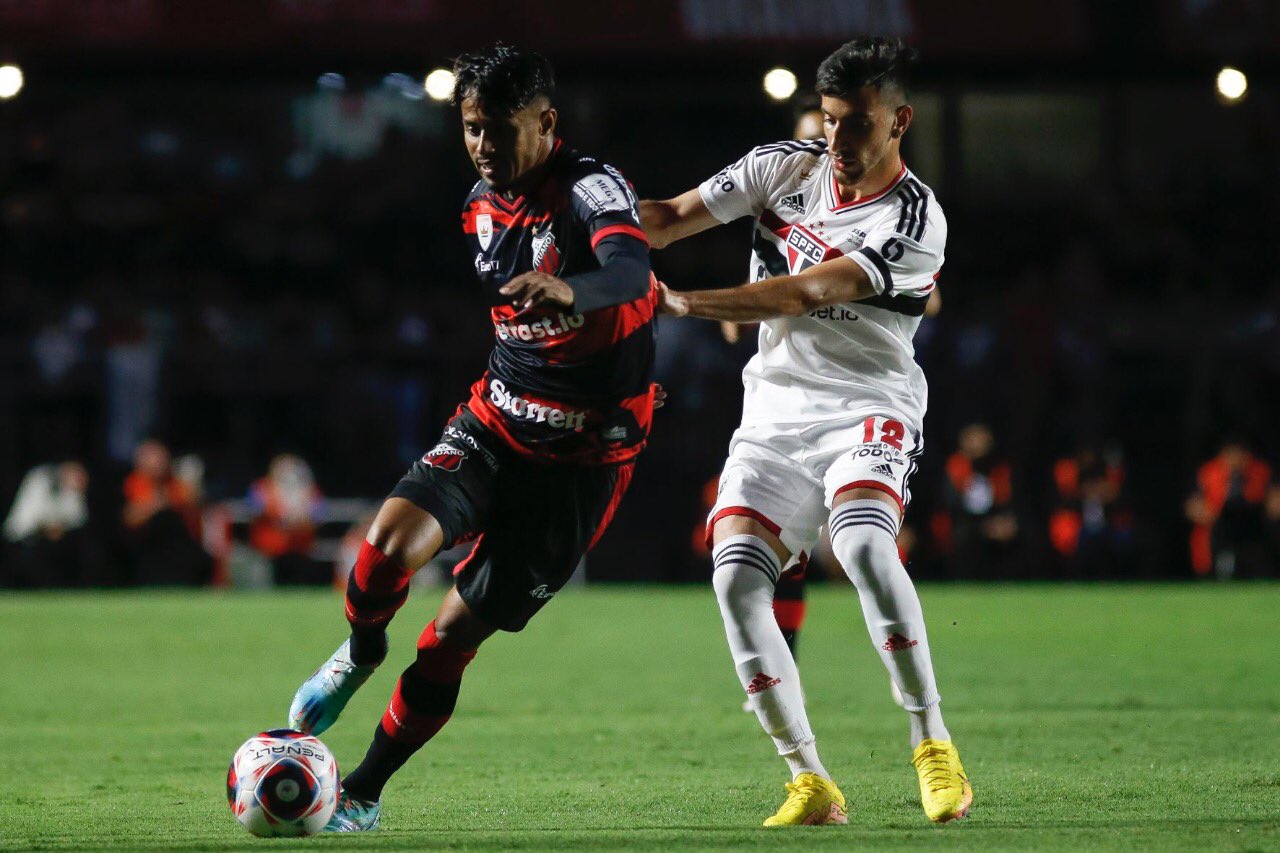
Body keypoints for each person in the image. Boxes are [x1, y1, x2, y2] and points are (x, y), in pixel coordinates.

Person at [288, 43, 658, 832]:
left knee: (448, 639)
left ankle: (363, 791)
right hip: (496, 421)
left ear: (546, 122)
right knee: (384, 546)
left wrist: (573, 288)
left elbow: (631, 273)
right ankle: (359, 651)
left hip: (582, 462)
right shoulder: (478, 206)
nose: (483, 145)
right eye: (470, 127)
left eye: (498, 128)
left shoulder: (592, 188)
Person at [640, 37, 970, 826]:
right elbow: (667, 219)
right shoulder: (784, 167)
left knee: (863, 546)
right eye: (830, 119)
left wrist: (684, 304)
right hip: (775, 412)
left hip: (869, 403)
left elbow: (806, 292)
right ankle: (809, 779)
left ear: (900, 121)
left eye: (858, 122)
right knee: (734, 579)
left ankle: (932, 740)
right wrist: (586, 222)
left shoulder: (915, 216)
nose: (838, 139)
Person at [248, 454, 328, 586]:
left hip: (300, 548)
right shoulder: (263, 487)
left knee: (300, 582)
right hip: (269, 550)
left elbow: (320, 514)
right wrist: (279, 512)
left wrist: (302, 516)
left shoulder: (308, 491)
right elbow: (253, 507)